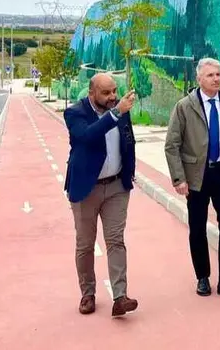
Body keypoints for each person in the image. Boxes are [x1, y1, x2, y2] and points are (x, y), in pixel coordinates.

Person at [164, 57, 220, 299]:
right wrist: (179, 178)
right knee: (197, 226)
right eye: (210, 75)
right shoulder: (184, 107)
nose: (216, 79)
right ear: (199, 78)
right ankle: (202, 276)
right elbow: (172, 145)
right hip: (197, 175)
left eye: (218, 75)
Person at [63, 73, 138, 317]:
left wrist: (130, 172)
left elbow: (128, 141)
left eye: (114, 91)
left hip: (116, 187)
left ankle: (120, 297)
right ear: (91, 92)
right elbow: (88, 137)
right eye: (106, 93)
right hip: (86, 188)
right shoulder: (75, 113)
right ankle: (88, 293)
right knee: (85, 244)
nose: (112, 96)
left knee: (116, 240)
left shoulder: (120, 111)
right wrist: (115, 113)